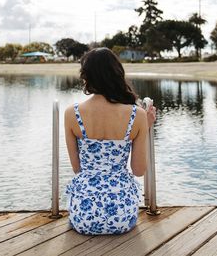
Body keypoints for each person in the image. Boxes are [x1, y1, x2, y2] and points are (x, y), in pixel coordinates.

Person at [65, 47, 156, 235]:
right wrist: (144, 127)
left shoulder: (71, 113)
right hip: (122, 215)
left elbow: (77, 168)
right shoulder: (136, 115)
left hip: (84, 214)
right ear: (117, 74)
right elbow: (139, 171)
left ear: (86, 76)